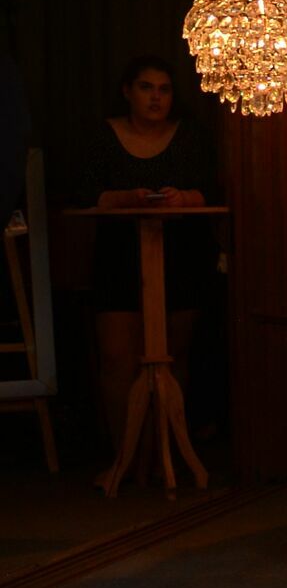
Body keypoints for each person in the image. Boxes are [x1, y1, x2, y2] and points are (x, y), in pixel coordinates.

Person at [63, 55, 220, 472]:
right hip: (119, 256)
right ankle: (129, 457)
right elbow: (82, 192)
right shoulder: (104, 137)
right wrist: (124, 198)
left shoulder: (190, 137)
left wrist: (182, 199)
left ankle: (171, 450)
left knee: (174, 354)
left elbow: (212, 188)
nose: (156, 98)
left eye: (164, 89)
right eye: (146, 88)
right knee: (119, 357)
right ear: (127, 91)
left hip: (181, 254)